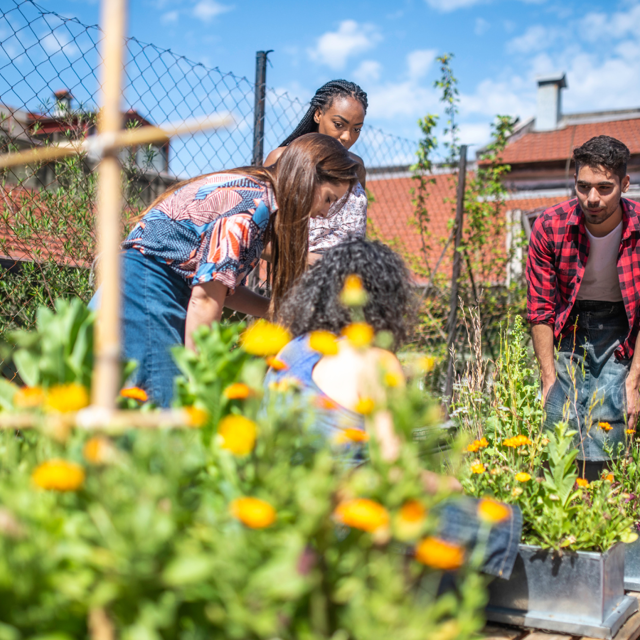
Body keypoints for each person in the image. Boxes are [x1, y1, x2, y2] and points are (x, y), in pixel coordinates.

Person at [266, 238, 522, 580]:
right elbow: (394, 475)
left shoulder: (291, 349)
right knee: (499, 526)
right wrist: (447, 485)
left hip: (282, 508)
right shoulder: (375, 360)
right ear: (386, 302)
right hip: (342, 519)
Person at [104, 133, 358, 407]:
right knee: (172, 410)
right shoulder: (249, 212)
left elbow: (218, 286)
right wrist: (201, 380)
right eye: (329, 199)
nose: (324, 213)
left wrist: (273, 310)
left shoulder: (257, 191)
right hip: (146, 286)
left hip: (137, 281)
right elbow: (204, 300)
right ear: (308, 178)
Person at [526, 135, 640, 479]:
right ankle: (562, 506)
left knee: (613, 413)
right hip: (569, 324)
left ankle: (607, 503)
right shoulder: (550, 225)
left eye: (605, 188)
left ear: (624, 184)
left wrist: (635, 380)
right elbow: (541, 308)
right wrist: (548, 379)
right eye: (583, 187)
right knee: (558, 417)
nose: (592, 199)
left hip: (623, 325)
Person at [264, 80, 368, 261]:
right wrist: (315, 262)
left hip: (353, 282)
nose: (347, 137)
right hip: (303, 280)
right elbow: (259, 240)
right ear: (319, 114)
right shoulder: (282, 160)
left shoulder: (356, 167)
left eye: (356, 129)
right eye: (338, 124)